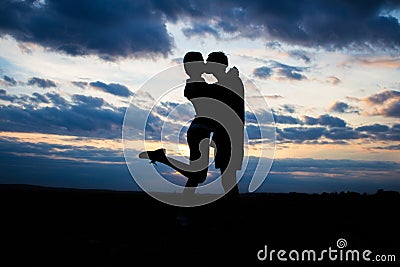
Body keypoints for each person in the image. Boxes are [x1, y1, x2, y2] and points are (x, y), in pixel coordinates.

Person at [139, 51, 214, 196]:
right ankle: (162, 158)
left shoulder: (196, 84)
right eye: (201, 62)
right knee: (198, 175)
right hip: (200, 131)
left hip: (200, 130)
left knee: (197, 176)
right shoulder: (197, 85)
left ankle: (184, 205)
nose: (204, 64)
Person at [205, 51, 245, 199]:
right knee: (227, 176)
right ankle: (232, 210)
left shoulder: (231, 82)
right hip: (225, 136)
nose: (206, 65)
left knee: (228, 177)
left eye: (209, 62)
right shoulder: (229, 81)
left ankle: (233, 212)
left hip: (229, 136)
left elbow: (216, 95)